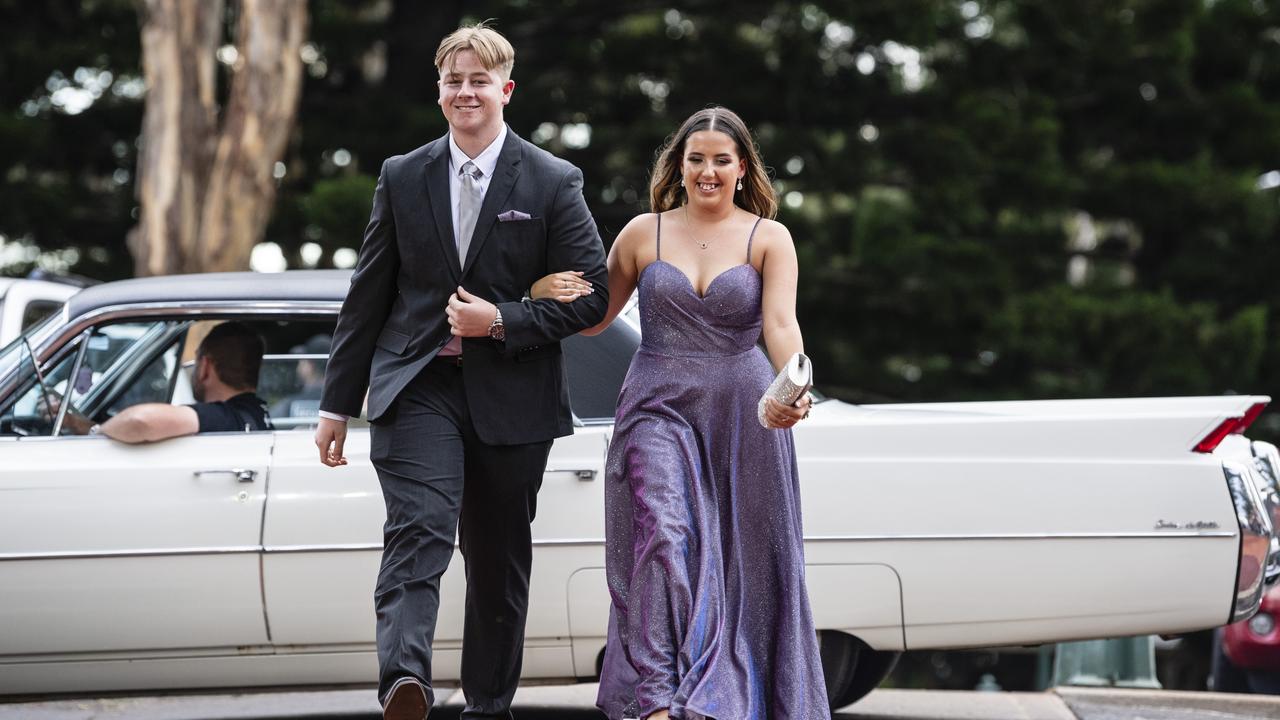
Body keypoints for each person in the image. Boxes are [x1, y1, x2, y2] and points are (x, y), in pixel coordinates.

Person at [313, 23, 609, 720]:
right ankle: (405, 680)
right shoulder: (401, 174)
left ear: (505, 91)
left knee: (498, 562)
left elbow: (592, 294)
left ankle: (488, 705)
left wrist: (502, 320)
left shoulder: (551, 180)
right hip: (417, 386)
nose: (466, 91)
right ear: (439, 92)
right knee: (419, 527)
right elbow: (369, 294)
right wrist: (336, 403)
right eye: (454, 80)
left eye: (480, 80)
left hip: (513, 396)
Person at [531, 107, 827, 720]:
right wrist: (535, 292)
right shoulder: (643, 232)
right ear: (680, 165)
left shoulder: (769, 237)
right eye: (697, 159)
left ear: (743, 168)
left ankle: (729, 696)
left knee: (745, 561)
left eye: (722, 160)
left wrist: (794, 382)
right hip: (656, 404)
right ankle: (658, 699)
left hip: (744, 411)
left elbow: (779, 324)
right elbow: (595, 316)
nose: (709, 171)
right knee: (664, 533)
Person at [58, 320, 272, 442]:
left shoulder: (223, 418)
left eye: (196, 361)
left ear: (205, 367)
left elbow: (141, 420)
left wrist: (93, 431)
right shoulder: (256, 413)